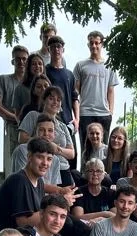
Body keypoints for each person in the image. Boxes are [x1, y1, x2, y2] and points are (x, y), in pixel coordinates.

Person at [74, 31, 119, 160]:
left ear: (101, 44)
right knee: (86, 147)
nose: (94, 46)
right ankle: (84, 176)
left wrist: (110, 112)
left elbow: (110, 91)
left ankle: (103, 177)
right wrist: (76, 114)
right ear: (88, 44)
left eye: (96, 43)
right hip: (85, 112)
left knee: (104, 149)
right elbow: (76, 91)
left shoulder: (109, 66)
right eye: (91, 43)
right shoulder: (81, 65)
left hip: (103, 113)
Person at [19, 86, 76, 186]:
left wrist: (57, 149)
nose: (55, 102)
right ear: (44, 100)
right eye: (51, 98)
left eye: (58, 100)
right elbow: (22, 138)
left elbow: (71, 153)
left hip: (62, 168)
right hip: (41, 166)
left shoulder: (63, 126)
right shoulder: (33, 116)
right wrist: (42, 143)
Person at [0, 45, 29, 176]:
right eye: (18, 59)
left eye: (24, 59)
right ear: (13, 61)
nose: (21, 62)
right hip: (13, 127)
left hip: (31, 128)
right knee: (14, 162)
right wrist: (16, 118)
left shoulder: (33, 83)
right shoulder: (4, 80)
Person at [44, 35, 79, 167]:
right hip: (52, 119)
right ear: (49, 50)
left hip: (68, 120)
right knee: (51, 154)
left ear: (63, 49)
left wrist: (77, 119)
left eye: (58, 47)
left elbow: (75, 98)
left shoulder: (69, 74)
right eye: (53, 47)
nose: (56, 50)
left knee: (71, 155)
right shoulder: (45, 72)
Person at [10, 114, 63, 190]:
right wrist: (60, 191)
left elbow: (53, 188)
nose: (46, 134)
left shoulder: (55, 159)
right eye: (41, 130)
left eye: (50, 130)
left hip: (45, 200)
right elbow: (23, 182)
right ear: (35, 132)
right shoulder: (22, 150)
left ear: (54, 134)